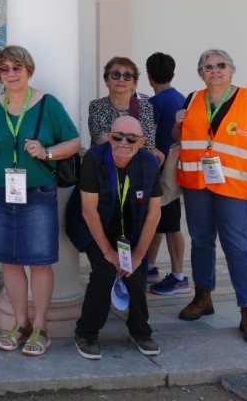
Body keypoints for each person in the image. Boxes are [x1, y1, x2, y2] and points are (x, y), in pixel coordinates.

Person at [0, 46, 80, 356]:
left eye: (16, 67)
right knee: (9, 261)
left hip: (37, 194)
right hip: (1, 194)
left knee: (39, 262)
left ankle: (41, 327)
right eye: (4, 69)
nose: (10, 74)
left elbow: (74, 142)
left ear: (28, 70)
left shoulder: (47, 104)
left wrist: (46, 152)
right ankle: (20, 324)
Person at [175, 49, 247, 345]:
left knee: (238, 247)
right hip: (197, 184)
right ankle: (203, 297)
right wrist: (177, 123)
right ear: (201, 74)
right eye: (207, 67)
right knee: (201, 241)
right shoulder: (192, 99)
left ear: (231, 70)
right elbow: (178, 137)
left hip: (234, 187)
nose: (214, 70)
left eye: (220, 65)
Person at [70, 116, 162, 360]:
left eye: (131, 138)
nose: (123, 142)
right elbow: (88, 211)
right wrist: (109, 253)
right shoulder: (94, 158)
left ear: (142, 141)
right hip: (93, 225)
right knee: (105, 270)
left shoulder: (150, 163)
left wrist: (139, 254)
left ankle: (141, 331)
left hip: (128, 228)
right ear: (109, 137)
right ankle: (86, 333)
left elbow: (154, 213)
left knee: (136, 271)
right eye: (117, 136)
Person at [144, 52, 191, 295]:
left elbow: (148, 137)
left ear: (149, 76)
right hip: (176, 168)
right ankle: (150, 267)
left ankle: (179, 277)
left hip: (162, 170)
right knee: (158, 220)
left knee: (170, 224)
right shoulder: (182, 98)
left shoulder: (153, 103)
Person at [88, 57, 161, 164]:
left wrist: (116, 139)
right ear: (106, 80)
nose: (121, 79)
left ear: (134, 83)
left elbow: (148, 144)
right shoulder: (96, 106)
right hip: (103, 166)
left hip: (135, 167)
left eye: (127, 76)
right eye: (115, 75)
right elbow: (100, 140)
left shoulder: (145, 107)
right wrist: (134, 140)